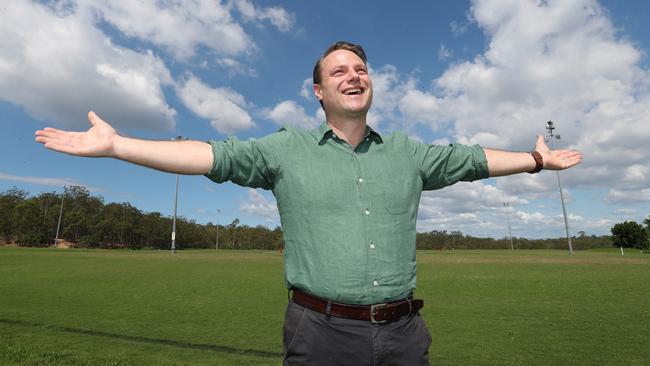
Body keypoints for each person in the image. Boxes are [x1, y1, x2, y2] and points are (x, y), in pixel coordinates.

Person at [35, 41, 582, 365]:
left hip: (405, 335)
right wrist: (117, 146)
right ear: (318, 91)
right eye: (339, 70)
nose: (354, 75)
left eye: (361, 69)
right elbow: (209, 155)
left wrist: (536, 161)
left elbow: (470, 160)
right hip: (320, 333)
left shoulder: (408, 153)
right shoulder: (285, 148)